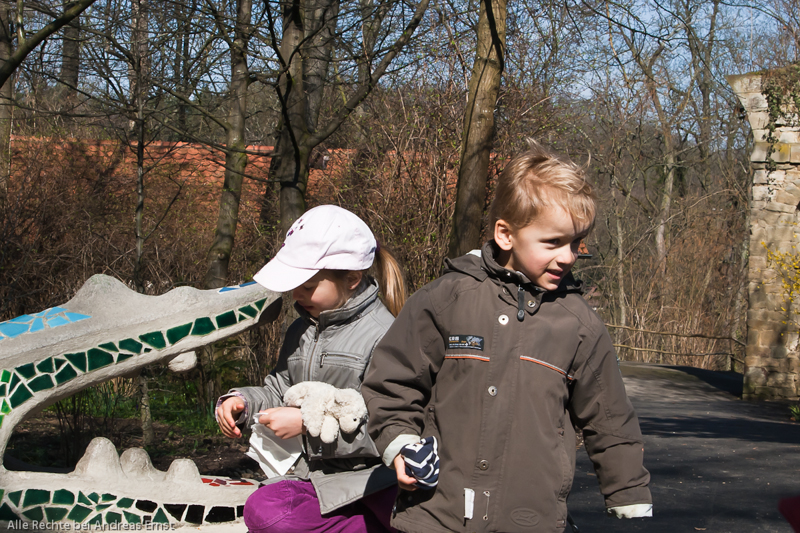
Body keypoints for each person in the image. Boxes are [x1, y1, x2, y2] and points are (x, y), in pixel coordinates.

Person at [361, 141, 653, 533]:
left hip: (527, 517)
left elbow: (610, 416)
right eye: (553, 242)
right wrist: (399, 443)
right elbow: (390, 382)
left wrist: (628, 490)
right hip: (435, 513)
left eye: (575, 243)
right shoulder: (447, 299)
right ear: (505, 234)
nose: (567, 256)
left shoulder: (579, 325)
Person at [215, 204, 407, 533]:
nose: (297, 295)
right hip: (313, 477)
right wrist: (243, 402)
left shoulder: (385, 335)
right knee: (262, 509)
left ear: (352, 279)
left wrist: (307, 425)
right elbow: (278, 390)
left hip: (372, 480)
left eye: (308, 286)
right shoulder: (300, 330)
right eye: (295, 285)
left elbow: (388, 429)